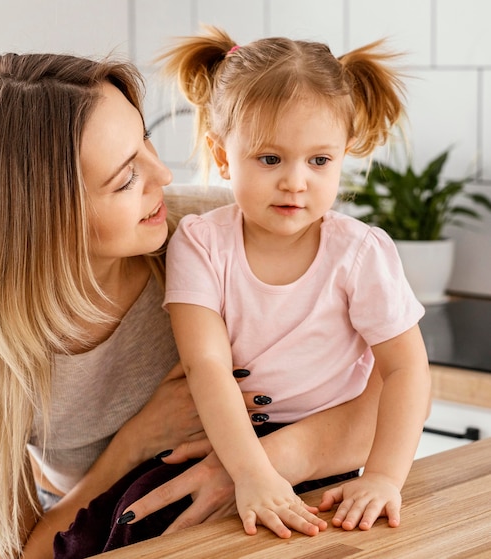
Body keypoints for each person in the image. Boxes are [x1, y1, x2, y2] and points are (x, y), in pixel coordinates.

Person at [0, 51, 384, 559]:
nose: (163, 175)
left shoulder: (212, 234)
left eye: (146, 143)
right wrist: (135, 442)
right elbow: (16, 553)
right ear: (42, 221)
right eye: (125, 178)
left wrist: (247, 470)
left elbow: (391, 392)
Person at [151, 26, 431, 540]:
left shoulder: (361, 252)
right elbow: (205, 364)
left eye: (319, 160)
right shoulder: (200, 242)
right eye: (270, 158)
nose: (295, 181)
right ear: (221, 156)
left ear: (343, 155)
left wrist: (385, 477)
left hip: (329, 453)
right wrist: (252, 472)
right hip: (230, 439)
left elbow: (407, 368)